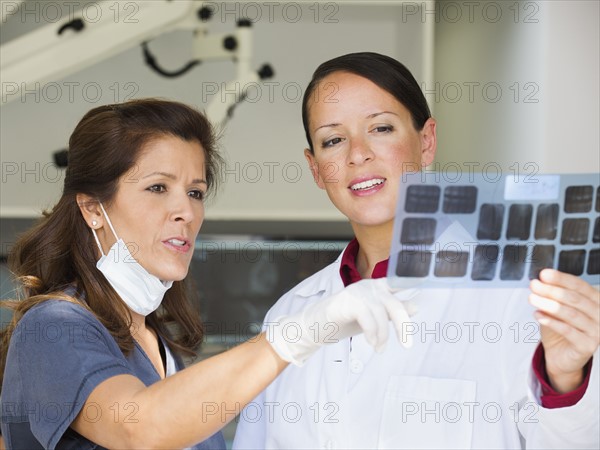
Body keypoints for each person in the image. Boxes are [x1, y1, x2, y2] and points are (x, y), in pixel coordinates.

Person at [0, 98, 416, 450]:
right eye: (158, 187)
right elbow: (137, 426)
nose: (186, 212)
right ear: (92, 208)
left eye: (195, 193)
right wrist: (295, 336)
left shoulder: (168, 354)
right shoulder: (52, 328)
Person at [232, 52, 599, 449]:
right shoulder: (289, 316)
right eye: (333, 140)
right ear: (317, 168)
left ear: (426, 142)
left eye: (381, 128)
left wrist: (566, 382)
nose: (357, 154)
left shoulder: (516, 300)